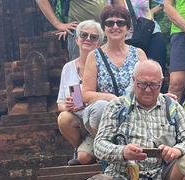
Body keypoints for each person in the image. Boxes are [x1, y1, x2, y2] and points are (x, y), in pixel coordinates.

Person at [82, 4, 148, 137]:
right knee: (100, 106)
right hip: (105, 115)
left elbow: (149, 84)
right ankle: (104, 144)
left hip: (135, 112)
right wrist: (110, 99)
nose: (115, 27)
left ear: (128, 27)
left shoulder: (139, 54)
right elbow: (86, 94)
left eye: (121, 23)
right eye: (110, 23)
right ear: (104, 28)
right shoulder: (95, 56)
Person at [57, 21, 105, 165]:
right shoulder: (68, 68)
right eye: (84, 35)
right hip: (79, 121)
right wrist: (68, 107)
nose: (88, 39)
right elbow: (60, 103)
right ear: (77, 39)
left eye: (94, 37)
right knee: (63, 118)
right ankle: (79, 147)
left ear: (99, 44)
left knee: (85, 159)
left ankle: (98, 149)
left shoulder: (104, 66)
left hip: (99, 123)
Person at [35, 0, 123, 60]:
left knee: (108, 75)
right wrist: (57, 24)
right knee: (81, 73)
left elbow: (119, 3)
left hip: (105, 32)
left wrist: (121, 23)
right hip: (82, 34)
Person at [124, 0, 168, 72]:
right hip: (126, 39)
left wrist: (153, 11)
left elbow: (168, 2)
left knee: (157, 73)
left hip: (151, 34)